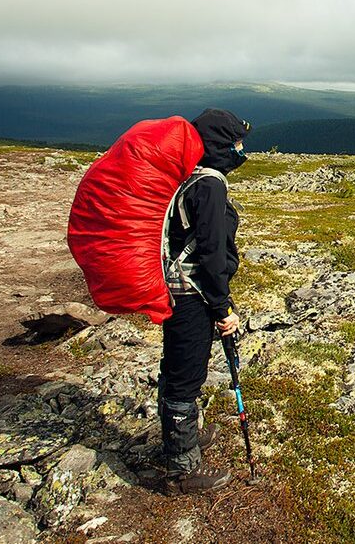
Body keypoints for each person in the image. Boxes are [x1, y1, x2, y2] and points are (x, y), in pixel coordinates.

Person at [159, 108, 249, 494]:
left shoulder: (188, 178)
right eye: (236, 143)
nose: (241, 151)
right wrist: (222, 306)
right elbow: (212, 254)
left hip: (179, 291)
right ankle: (183, 470)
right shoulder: (210, 186)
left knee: (178, 366)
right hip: (192, 293)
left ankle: (185, 438)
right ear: (218, 146)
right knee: (186, 376)